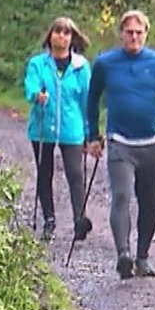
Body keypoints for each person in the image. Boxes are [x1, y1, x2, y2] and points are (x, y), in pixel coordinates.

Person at [84, 10, 155, 279]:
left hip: (150, 144)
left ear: (146, 33)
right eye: (129, 32)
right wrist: (93, 135)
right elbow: (92, 100)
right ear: (121, 34)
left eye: (139, 32)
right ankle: (123, 254)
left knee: (149, 205)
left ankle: (142, 257)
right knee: (121, 196)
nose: (134, 37)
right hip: (120, 142)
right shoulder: (105, 63)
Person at [24, 17, 93, 241]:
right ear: (50, 36)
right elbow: (30, 85)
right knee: (45, 172)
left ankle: (79, 220)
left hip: (71, 128)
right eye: (57, 32)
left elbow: (87, 99)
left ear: (72, 38)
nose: (61, 36)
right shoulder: (38, 63)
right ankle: (49, 219)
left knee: (75, 173)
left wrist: (89, 130)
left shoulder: (81, 67)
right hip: (43, 126)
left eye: (66, 33)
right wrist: (37, 95)